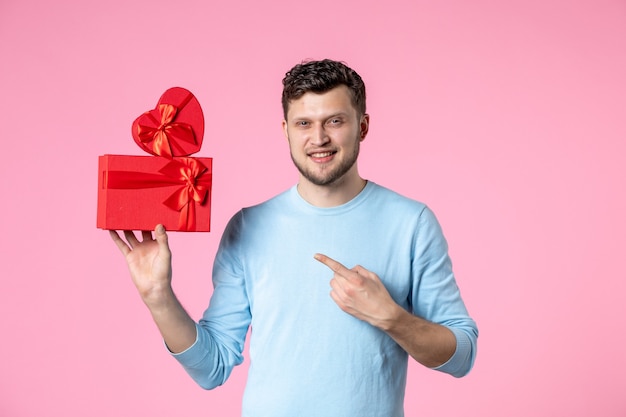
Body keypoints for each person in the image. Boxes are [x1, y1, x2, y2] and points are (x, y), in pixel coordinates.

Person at [110, 59, 478, 417]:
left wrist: (392, 318)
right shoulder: (247, 226)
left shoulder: (411, 223)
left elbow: (462, 356)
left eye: (335, 121)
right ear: (285, 129)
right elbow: (212, 368)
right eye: (304, 123)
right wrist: (157, 297)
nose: (319, 138)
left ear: (362, 126)